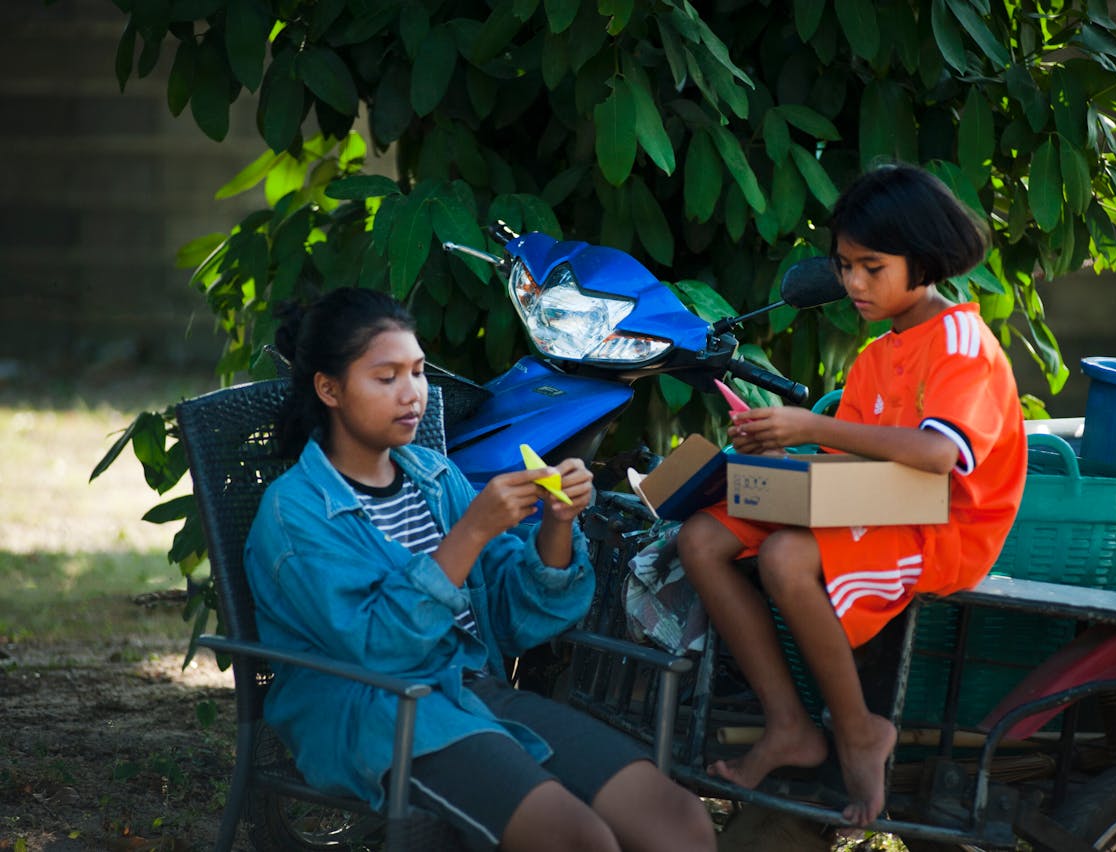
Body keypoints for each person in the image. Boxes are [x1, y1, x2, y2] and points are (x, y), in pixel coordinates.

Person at [244, 287, 715, 852]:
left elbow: (518, 617)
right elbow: (375, 649)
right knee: (578, 839)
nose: (412, 394)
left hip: (474, 691)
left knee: (677, 820)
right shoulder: (295, 513)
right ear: (329, 389)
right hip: (376, 712)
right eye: (386, 377)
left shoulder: (432, 477)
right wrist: (471, 532)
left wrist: (557, 523)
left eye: (418, 372)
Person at [676, 163, 1028, 827]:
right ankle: (788, 725)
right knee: (701, 538)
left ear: (923, 260)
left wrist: (808, 425)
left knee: (785, 557)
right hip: (879, 505)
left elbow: (938, 455)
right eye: (843, 266)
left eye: (872, 266)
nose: (853, 284)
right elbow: (846, 470)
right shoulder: (874, 357)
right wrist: (778, 454)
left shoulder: (962, 342)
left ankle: (859, 729)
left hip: (942, 528)